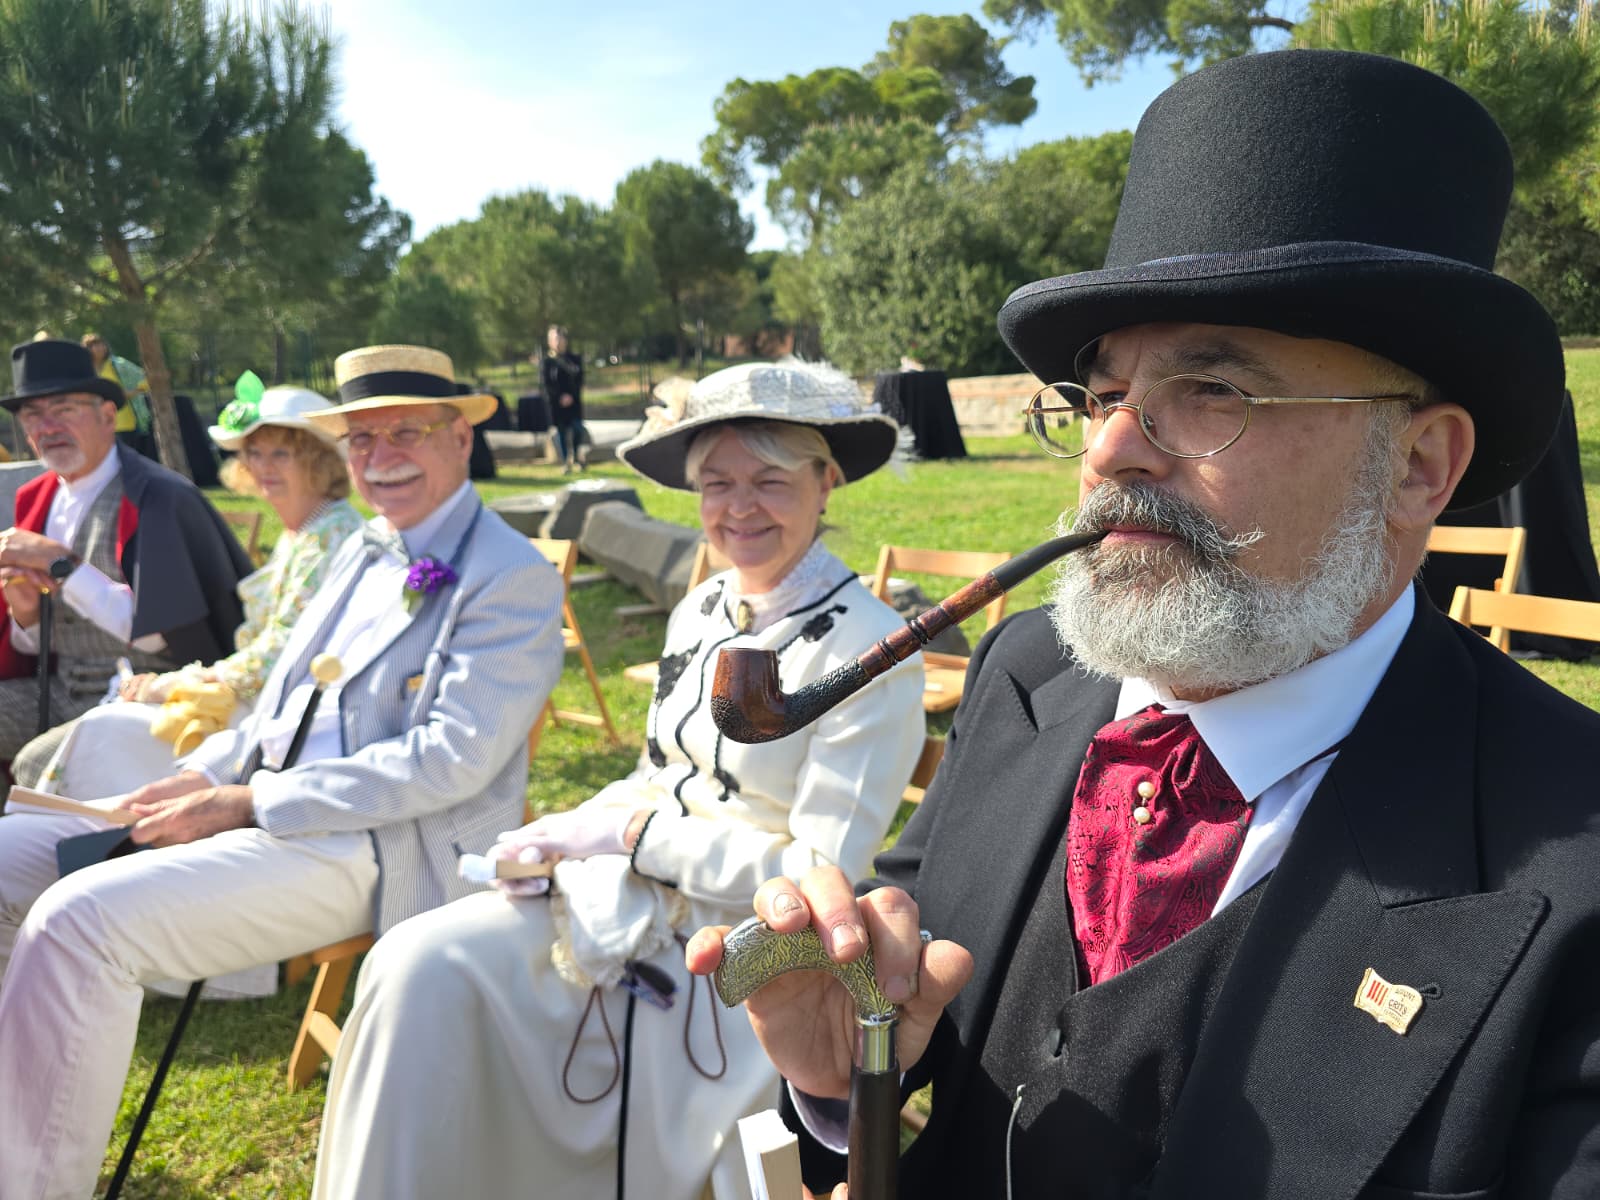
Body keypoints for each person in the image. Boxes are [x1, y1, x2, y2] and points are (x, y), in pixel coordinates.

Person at [686, 51, 1600, 1199]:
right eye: (1102, 394)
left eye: (1213, 390)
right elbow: (915, 1001)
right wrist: (849, 1073)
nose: (1113, 448)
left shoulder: (1573, 860)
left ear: (1418, 463)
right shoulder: (1023, 683)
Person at [311, 361, 926, 1200]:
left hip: (746, 961)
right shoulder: (701, 605)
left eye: (769, 482)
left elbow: (817, 875)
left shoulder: (871, 650)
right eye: (716, 484)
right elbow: (660, 772)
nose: (738, 508)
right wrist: (566, 832)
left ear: (826, 483)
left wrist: (632, 839)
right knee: (412, 964)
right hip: (621, 908)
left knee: (433, 972)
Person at [0, 343, 567, 1198]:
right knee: (10, 855)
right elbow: (277, 706)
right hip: (272, 810)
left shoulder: (510, 576)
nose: (380, 458)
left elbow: (449, 760)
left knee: (80, 918)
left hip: (384, 847)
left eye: (405, 432)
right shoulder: (365, 547)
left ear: (459, 436)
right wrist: (202, 776)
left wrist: (246, 800)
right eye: (362, 441)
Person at [15, 374, 364, 821]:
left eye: (282, 453)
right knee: (56, 751)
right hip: (247, 698)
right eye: (253, 453)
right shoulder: (303, 532)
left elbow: (277, 657)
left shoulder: (330, 534)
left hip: (285, 716)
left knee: (64, 749)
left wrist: (170, 684)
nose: (264, 467)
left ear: (318, 461)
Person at [0, 338, 253, 765]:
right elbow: (35, 648)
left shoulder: (159, 498)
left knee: (35, 763)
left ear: (106, 415)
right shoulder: (35, 497)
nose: (47, 427)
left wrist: (63, 567)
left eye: (63, 410)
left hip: (147, 699)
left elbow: (165, 638)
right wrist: (24, 616)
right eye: (33, 415)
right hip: (54, 691)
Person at [81, 332, 153, 455]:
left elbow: (146, 379)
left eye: (101, 344)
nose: (99, 348)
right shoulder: (85, 369)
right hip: (97, 426)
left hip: (124, 423)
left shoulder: (118, 364)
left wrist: (131, 392)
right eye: (94, 345)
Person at [541, 323, 587, 473]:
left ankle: (577, 456)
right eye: (555, 338)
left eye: (560, 338)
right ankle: (566, 461)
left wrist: (571, 396)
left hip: (573, 402)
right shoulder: (547, 362)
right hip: (557, 403)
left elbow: (579, 379)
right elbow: (546, 384)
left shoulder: (574, 359)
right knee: (561, 432)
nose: (558, 341)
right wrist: (559, 397)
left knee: (577, 429)